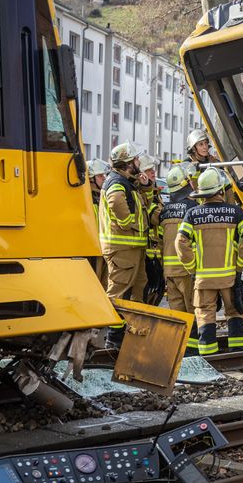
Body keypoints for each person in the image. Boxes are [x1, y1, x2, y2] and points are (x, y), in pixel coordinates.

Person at [176, 168, 243, 354]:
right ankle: (239, 354)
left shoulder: (193, 214)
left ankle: (209, 356)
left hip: (204, 279)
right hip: (230, 275)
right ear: (221, 190)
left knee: (205, 314)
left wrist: (192, 267)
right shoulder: (235, 212)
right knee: (235, 311)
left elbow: (181, 242)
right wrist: (239, 264)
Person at [99, 142, 151, 348]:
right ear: (129, 163)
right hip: (122, 248)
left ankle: (129, 336)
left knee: (137, 289)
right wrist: (126, 222)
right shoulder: (117, 182)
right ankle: (112, 337)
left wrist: (145, 186)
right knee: (118, 291)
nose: (139, 162)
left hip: (132, 248)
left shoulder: (127, 181)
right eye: (136, 160)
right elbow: (115, 202)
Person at [160, 164, 200, 354]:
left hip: (169, 271)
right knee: (193, 309)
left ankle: (179, 349)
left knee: (177, 312)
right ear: (186, 183)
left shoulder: (165, 210)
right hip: (186, 269)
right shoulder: (192, 208)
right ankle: (192, 351)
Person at [133, 154, 162, 305]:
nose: (153, 172)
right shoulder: (140, 193)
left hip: (156, 254)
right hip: (147, 253)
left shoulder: (154, 192)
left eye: (153, 169)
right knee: (143, 291)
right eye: (149, 170)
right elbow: (154, 217)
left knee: (156, 292)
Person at [86, 158, 111, 287]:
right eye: (100, 176)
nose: (104, 178)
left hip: (102, 250)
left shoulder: (100, 196)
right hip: (91, 252)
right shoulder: (84, 199)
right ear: (90, 178)